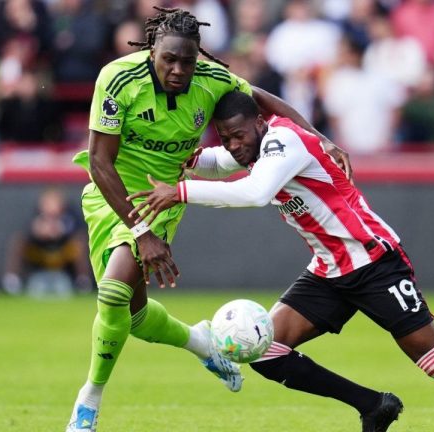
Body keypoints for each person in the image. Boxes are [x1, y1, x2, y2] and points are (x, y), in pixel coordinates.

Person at [129, 91, 434, 432]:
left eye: (239, 135)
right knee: (265, 352)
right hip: (329, 270)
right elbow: (218, 161)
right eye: (226, 137)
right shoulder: (254, 145)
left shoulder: (284, 139)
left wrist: (180, 190)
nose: (234, 145)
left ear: (260, 122)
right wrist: (178, 155)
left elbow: (254, 192)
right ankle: (372, 405)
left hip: (374, 261)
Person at [65, 7, 352, 431]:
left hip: (159, 196)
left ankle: (88, 400)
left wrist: (321, 139)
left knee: (112, 292)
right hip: (110, 191)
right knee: (135, 316)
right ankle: (201, 341)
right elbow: (99, 162)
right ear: (152, 52)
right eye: (169, 59)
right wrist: (140, 233)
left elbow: (263, 101)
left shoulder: (212, 79)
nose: (179, 69)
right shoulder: (118, 78)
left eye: (188, 60)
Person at [2, 187, 91, 297]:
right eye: (47, 202)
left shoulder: (70, 216)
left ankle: (82, 282)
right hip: (41, 256)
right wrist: (38, 232)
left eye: (54, 202)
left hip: (62, 256)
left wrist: (60, 231)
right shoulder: (37, 216)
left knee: (79, 243)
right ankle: (12, 281)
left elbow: (79, 230)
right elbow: (27, 232)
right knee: (18, 241)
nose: (51, 206)